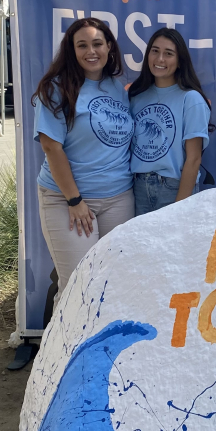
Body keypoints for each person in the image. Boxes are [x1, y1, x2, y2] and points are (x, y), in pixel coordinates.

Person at [32, 16, 135, 293]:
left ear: (109, 47)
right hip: (68, 201)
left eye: (97, 44)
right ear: (72, 51)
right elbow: (51, 147)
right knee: (77, 287)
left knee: (112, 283)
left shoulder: (118, 87)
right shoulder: (56, 88)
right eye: (82, 45)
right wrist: (74, 200)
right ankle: (62, 339)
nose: (91, 51)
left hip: (118, 198)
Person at [128, 27, 212, 215]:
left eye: (169, 54)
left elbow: (194, 158)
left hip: (173, 187)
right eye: (155, 51)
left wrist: (179, 208)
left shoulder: (191, 99)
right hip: (137, 188)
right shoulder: (136, 97)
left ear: (180, 61)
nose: (160, 59)